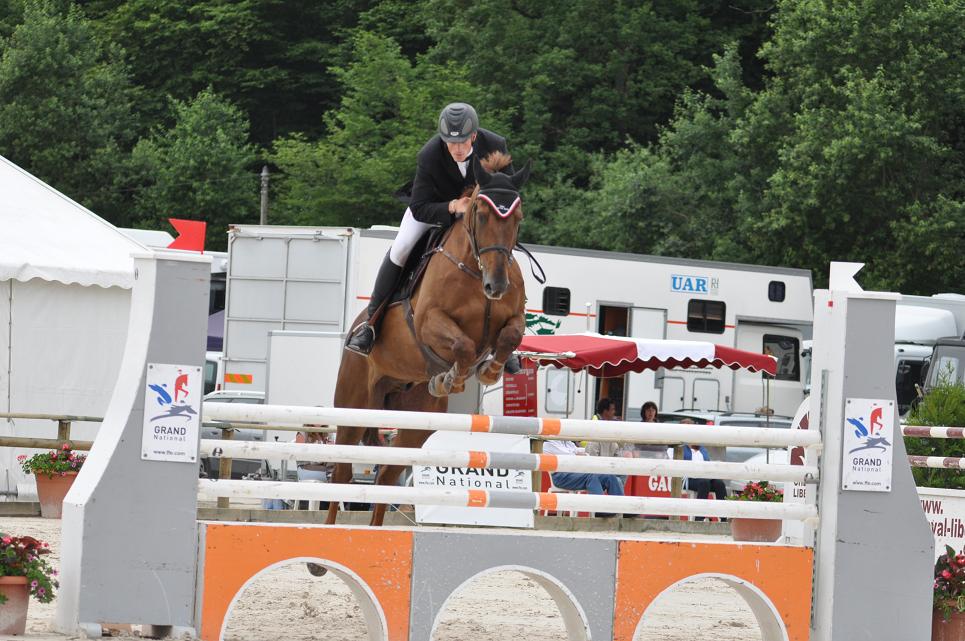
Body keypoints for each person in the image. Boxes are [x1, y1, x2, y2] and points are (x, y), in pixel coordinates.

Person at [345, 102, 513, 356]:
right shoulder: (430, 154)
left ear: (475, 136)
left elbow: (508, 192)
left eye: (463, 142)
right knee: (400, 249)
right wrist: (453, 205)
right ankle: (371, 324)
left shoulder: (494, 144)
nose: (456, 149)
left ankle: (506, 334)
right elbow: (420, 207)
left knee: (499, 248)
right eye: (451, 143)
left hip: (479, 214)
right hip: (435, 208)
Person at [544, 438, 624, 518]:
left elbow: (584, 454)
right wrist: (576, 455)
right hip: (561, 477)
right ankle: (600, 509)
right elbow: (570, 457)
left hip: (575, 473)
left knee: (609, 476)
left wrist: (577, 455)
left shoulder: (567, 442)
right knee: (591, 476)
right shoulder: (548, 444)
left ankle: (623, 508)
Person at [682, 438, 728, 522]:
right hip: (689, 479)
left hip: (704, 477)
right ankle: (699, 518)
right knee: (704, 483)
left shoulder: (703, 450)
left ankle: (724, 518)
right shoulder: (683, 448)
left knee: (720, 484)